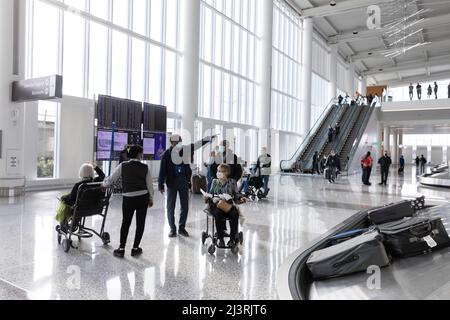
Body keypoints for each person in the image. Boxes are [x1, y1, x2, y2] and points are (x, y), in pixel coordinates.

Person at [159, 134, 216, 238]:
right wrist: (160, 184)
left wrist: (207, 139)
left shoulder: (185, 149)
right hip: (171, 182)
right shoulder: (166, 154)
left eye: (178, 142)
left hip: (183, 181)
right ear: (171, 142)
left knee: (184, 206)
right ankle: (172, 229)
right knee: (170, 207)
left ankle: (182, 228)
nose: (175, 144)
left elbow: (197, 145)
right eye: (173, 142)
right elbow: (162, 170)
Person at [103, 146, 154, 258]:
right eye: (141, 153)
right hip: (142, 197)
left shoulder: (123, 166)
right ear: (138, 154)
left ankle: (121, 249)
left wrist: (104, 185)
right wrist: (151, 198)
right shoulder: (145, 167)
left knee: (126, 222)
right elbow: (150, 185)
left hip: (128, 198)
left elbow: (112, 179)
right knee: (140, 223)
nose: (142, 156)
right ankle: (135, 248)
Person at [57, 162, 106, 231]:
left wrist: (63, 199)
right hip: (94, 208)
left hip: (80, 209)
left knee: (66, 203)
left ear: (81, 172)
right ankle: (74, 224)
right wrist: (95, 167)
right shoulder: (96, 182)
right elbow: (102, 175)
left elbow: (71, 201)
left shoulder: (79, 186)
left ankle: (65, 225)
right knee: (80, 204)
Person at [206, 164, 240, 248]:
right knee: (218, 214)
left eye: (220, 171)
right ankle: (220, 238)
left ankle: (232, 239)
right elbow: (211, 194)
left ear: (227, 172)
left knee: (235, 214)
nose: (218, 173)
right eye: (218, 171)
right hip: (217, 205)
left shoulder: (232, 182)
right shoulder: (215, 181)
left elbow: (236, 194)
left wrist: (240, 198)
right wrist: (208, 197)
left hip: (227, 205)